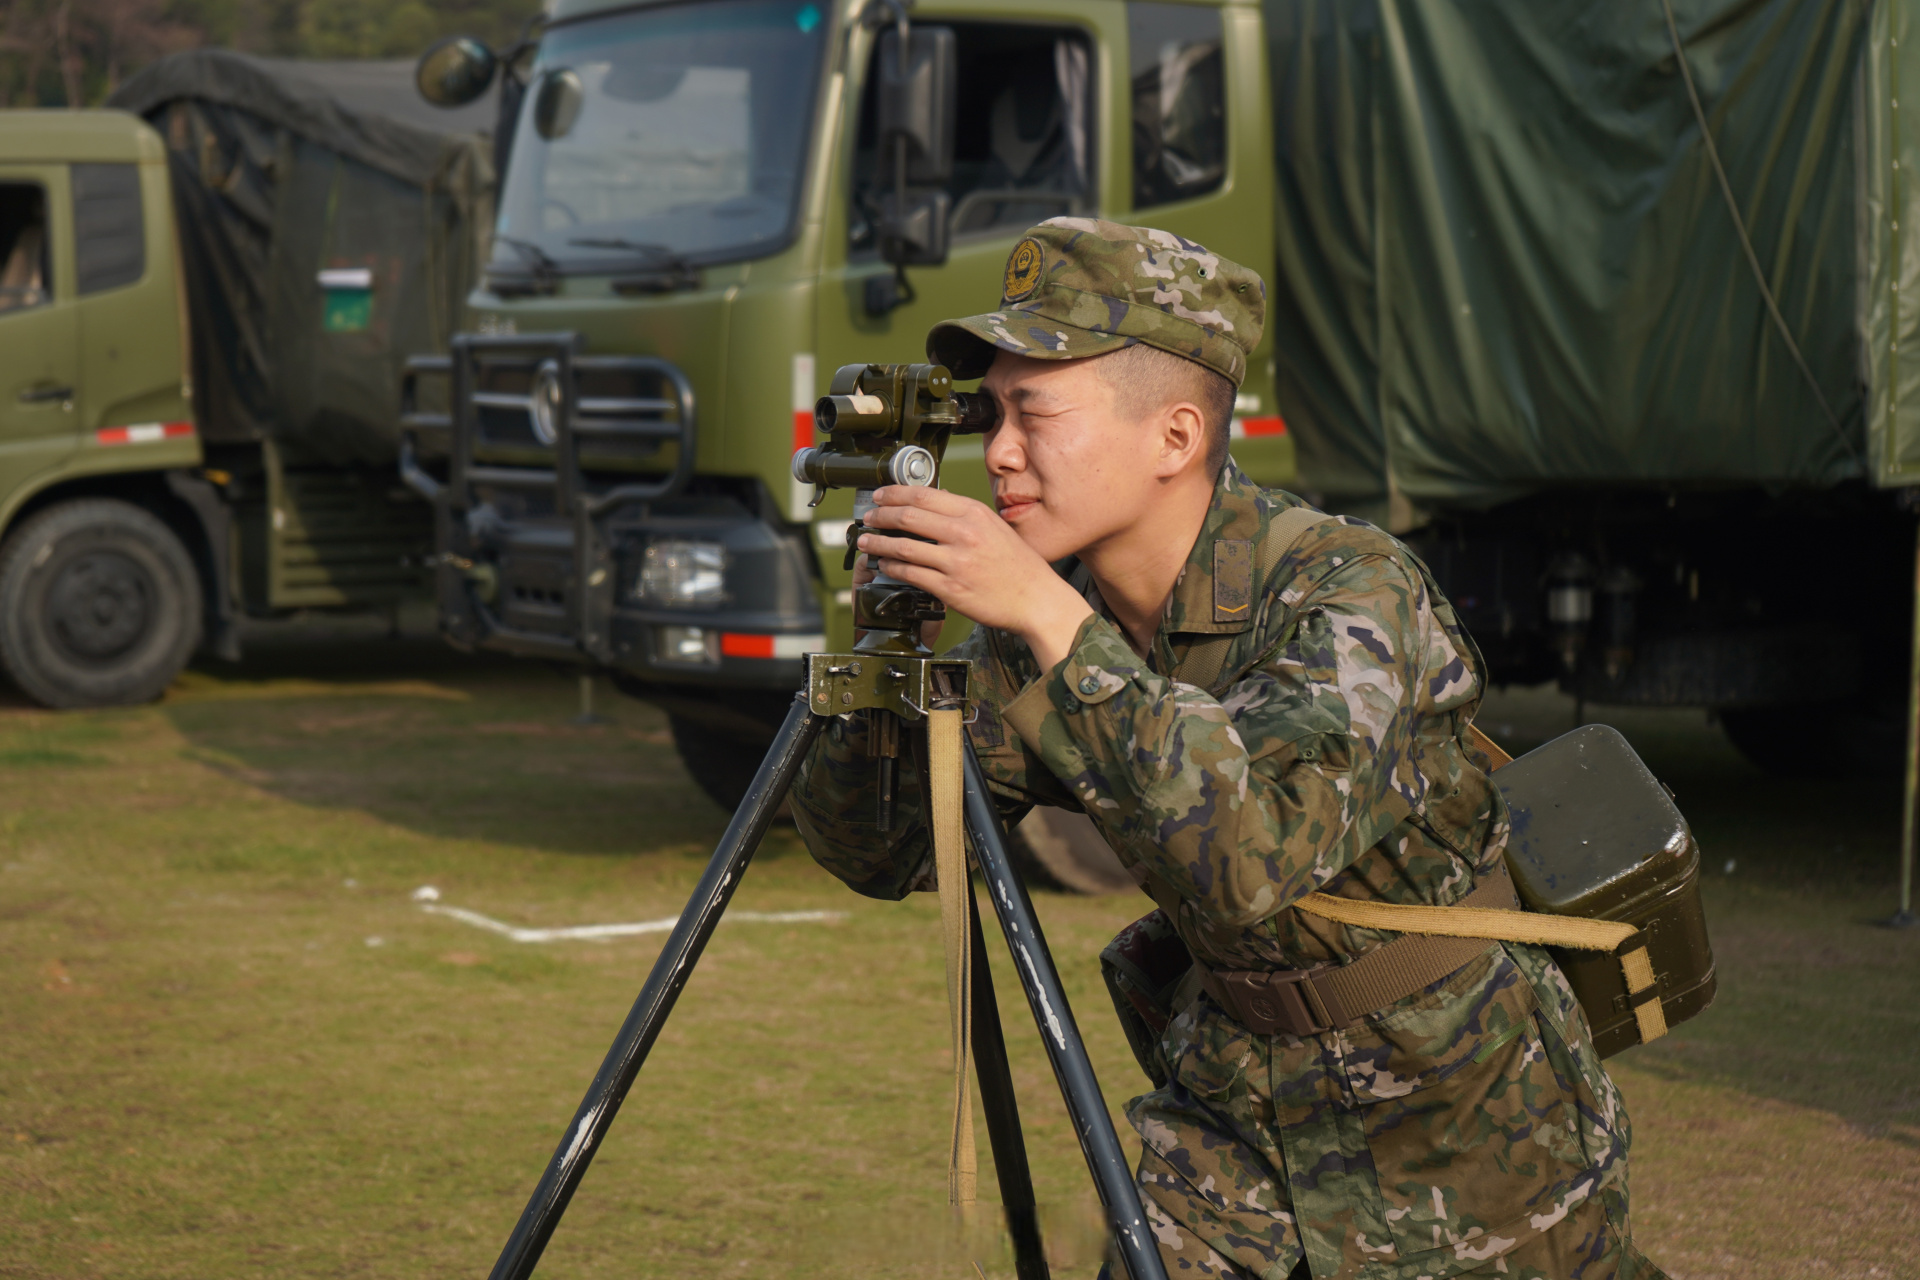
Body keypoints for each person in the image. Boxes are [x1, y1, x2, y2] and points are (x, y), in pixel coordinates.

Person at [790, 218, 1665, 1280]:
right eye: (991, 415)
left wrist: (1043, 618)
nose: (1001, 451)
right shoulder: (1043, 625)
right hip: (1235, 1110)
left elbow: (1249, 856)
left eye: (1034, 412)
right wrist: (888, 654)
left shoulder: (1348, 592)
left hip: (1471, 1120)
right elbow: (885, 852)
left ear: (1176, 436)